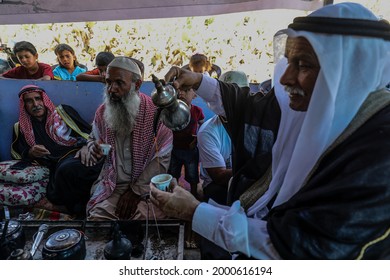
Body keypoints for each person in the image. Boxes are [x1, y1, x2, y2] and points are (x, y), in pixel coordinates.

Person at [151, 2, 390, 259]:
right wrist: (199, 80)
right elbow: (247, 107)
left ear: (348, 71)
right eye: (288, 61)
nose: (285, 78)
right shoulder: (317, 104)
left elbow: (304, 250)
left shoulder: (379, 152)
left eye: (304, 64)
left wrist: (194, 212)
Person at [84, 56, 173, 221]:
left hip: (147, 187)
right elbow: (91, 140)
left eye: (119, 83)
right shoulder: (102, 112)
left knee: (158, 219)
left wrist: (135, 192)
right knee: (98, 220)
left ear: (137, 85)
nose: (111, 89)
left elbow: (161, 159)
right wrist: (93, 148)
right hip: (113, 185)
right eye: (108, 82)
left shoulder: (157, 113)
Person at [11, 85, 102, 215]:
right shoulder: (20, 127)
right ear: (24, 105)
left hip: (78, 151)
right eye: (29, 101)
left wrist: (86, 146)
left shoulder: (63, 112)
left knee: (96, 164)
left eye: (38, 99)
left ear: (44, 99)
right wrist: (31, 152)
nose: (35, 104)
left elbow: (88, 133)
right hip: (57, 163)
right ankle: (81, 210)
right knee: (67, 170)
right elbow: (17, 153)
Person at [198, 70, 250, 205]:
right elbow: (219, 176)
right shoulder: (208, 132)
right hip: (221, 185)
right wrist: (255, 171)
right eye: (226, 96)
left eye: (236, 95)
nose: (231, 101)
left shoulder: (255, 126)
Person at [169, 87, 204, 199]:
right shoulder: (172, 111)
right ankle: (172, 196)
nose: (181, 92)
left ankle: (193, 197)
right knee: (173, 174)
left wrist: (197, 138)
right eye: (178, 90)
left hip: (191, 150)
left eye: (186, 90)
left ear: (195, 95)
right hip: (174, 149)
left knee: (193, 175)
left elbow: (203, 126)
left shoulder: (197, 111)